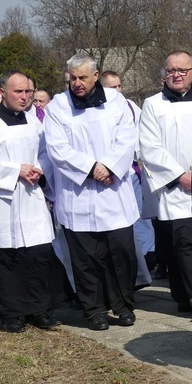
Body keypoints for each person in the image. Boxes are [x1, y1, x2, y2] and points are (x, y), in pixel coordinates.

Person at [0, 71, 69, 333]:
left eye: (28, 92)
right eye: (18, 92)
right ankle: (12, 313)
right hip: (1, 201)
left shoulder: (34, 122)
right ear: (3, 92)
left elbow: (46, 153)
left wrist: (39, 168)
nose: (24, 97)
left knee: (37, 255)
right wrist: (15, 170)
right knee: (6, 260)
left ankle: (40, 309)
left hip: (30, 196)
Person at [45, 52, 139, 331]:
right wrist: (90, 168)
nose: (77, 83)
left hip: (113, 191)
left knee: (121, 252)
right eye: (72, 78)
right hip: (78, 194)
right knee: (85, 258)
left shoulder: (116, 101)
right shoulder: (57, 106)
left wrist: (109, 167)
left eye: (82, 77)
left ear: (96, 76)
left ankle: (123, 305)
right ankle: (93, 309)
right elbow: (57, 148)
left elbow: (127, 137)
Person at [140, 52, 192, 319]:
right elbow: (149, 146)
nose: (177, 75)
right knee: (184, 241)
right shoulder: (153, 104)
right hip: (177, 187)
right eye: (171, 70)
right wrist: (179, 175)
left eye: (182, 70)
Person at [100, 70, 154, 289]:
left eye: (119, 86)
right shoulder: (99, 109)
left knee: (139, 216)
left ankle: (146, 256)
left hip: (130, 170)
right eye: (112, 87)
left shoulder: (131, 107)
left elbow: (141, 135)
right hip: (105, 173)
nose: (118, 91)